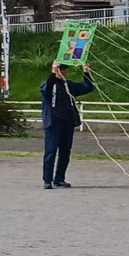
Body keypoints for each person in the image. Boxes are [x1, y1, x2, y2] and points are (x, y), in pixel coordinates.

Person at [38, 60, 94, 189]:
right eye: (60, 69)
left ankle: (59, 179)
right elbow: (46, 89)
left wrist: (86, 72)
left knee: (65, 152)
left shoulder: (69, 85)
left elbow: (88, 87)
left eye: (63, 70)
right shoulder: (48, 84)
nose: (62, 72)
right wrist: (53, 73)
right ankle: (47, 180)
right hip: (53, 123)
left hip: (67, 122)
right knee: (50, 152)